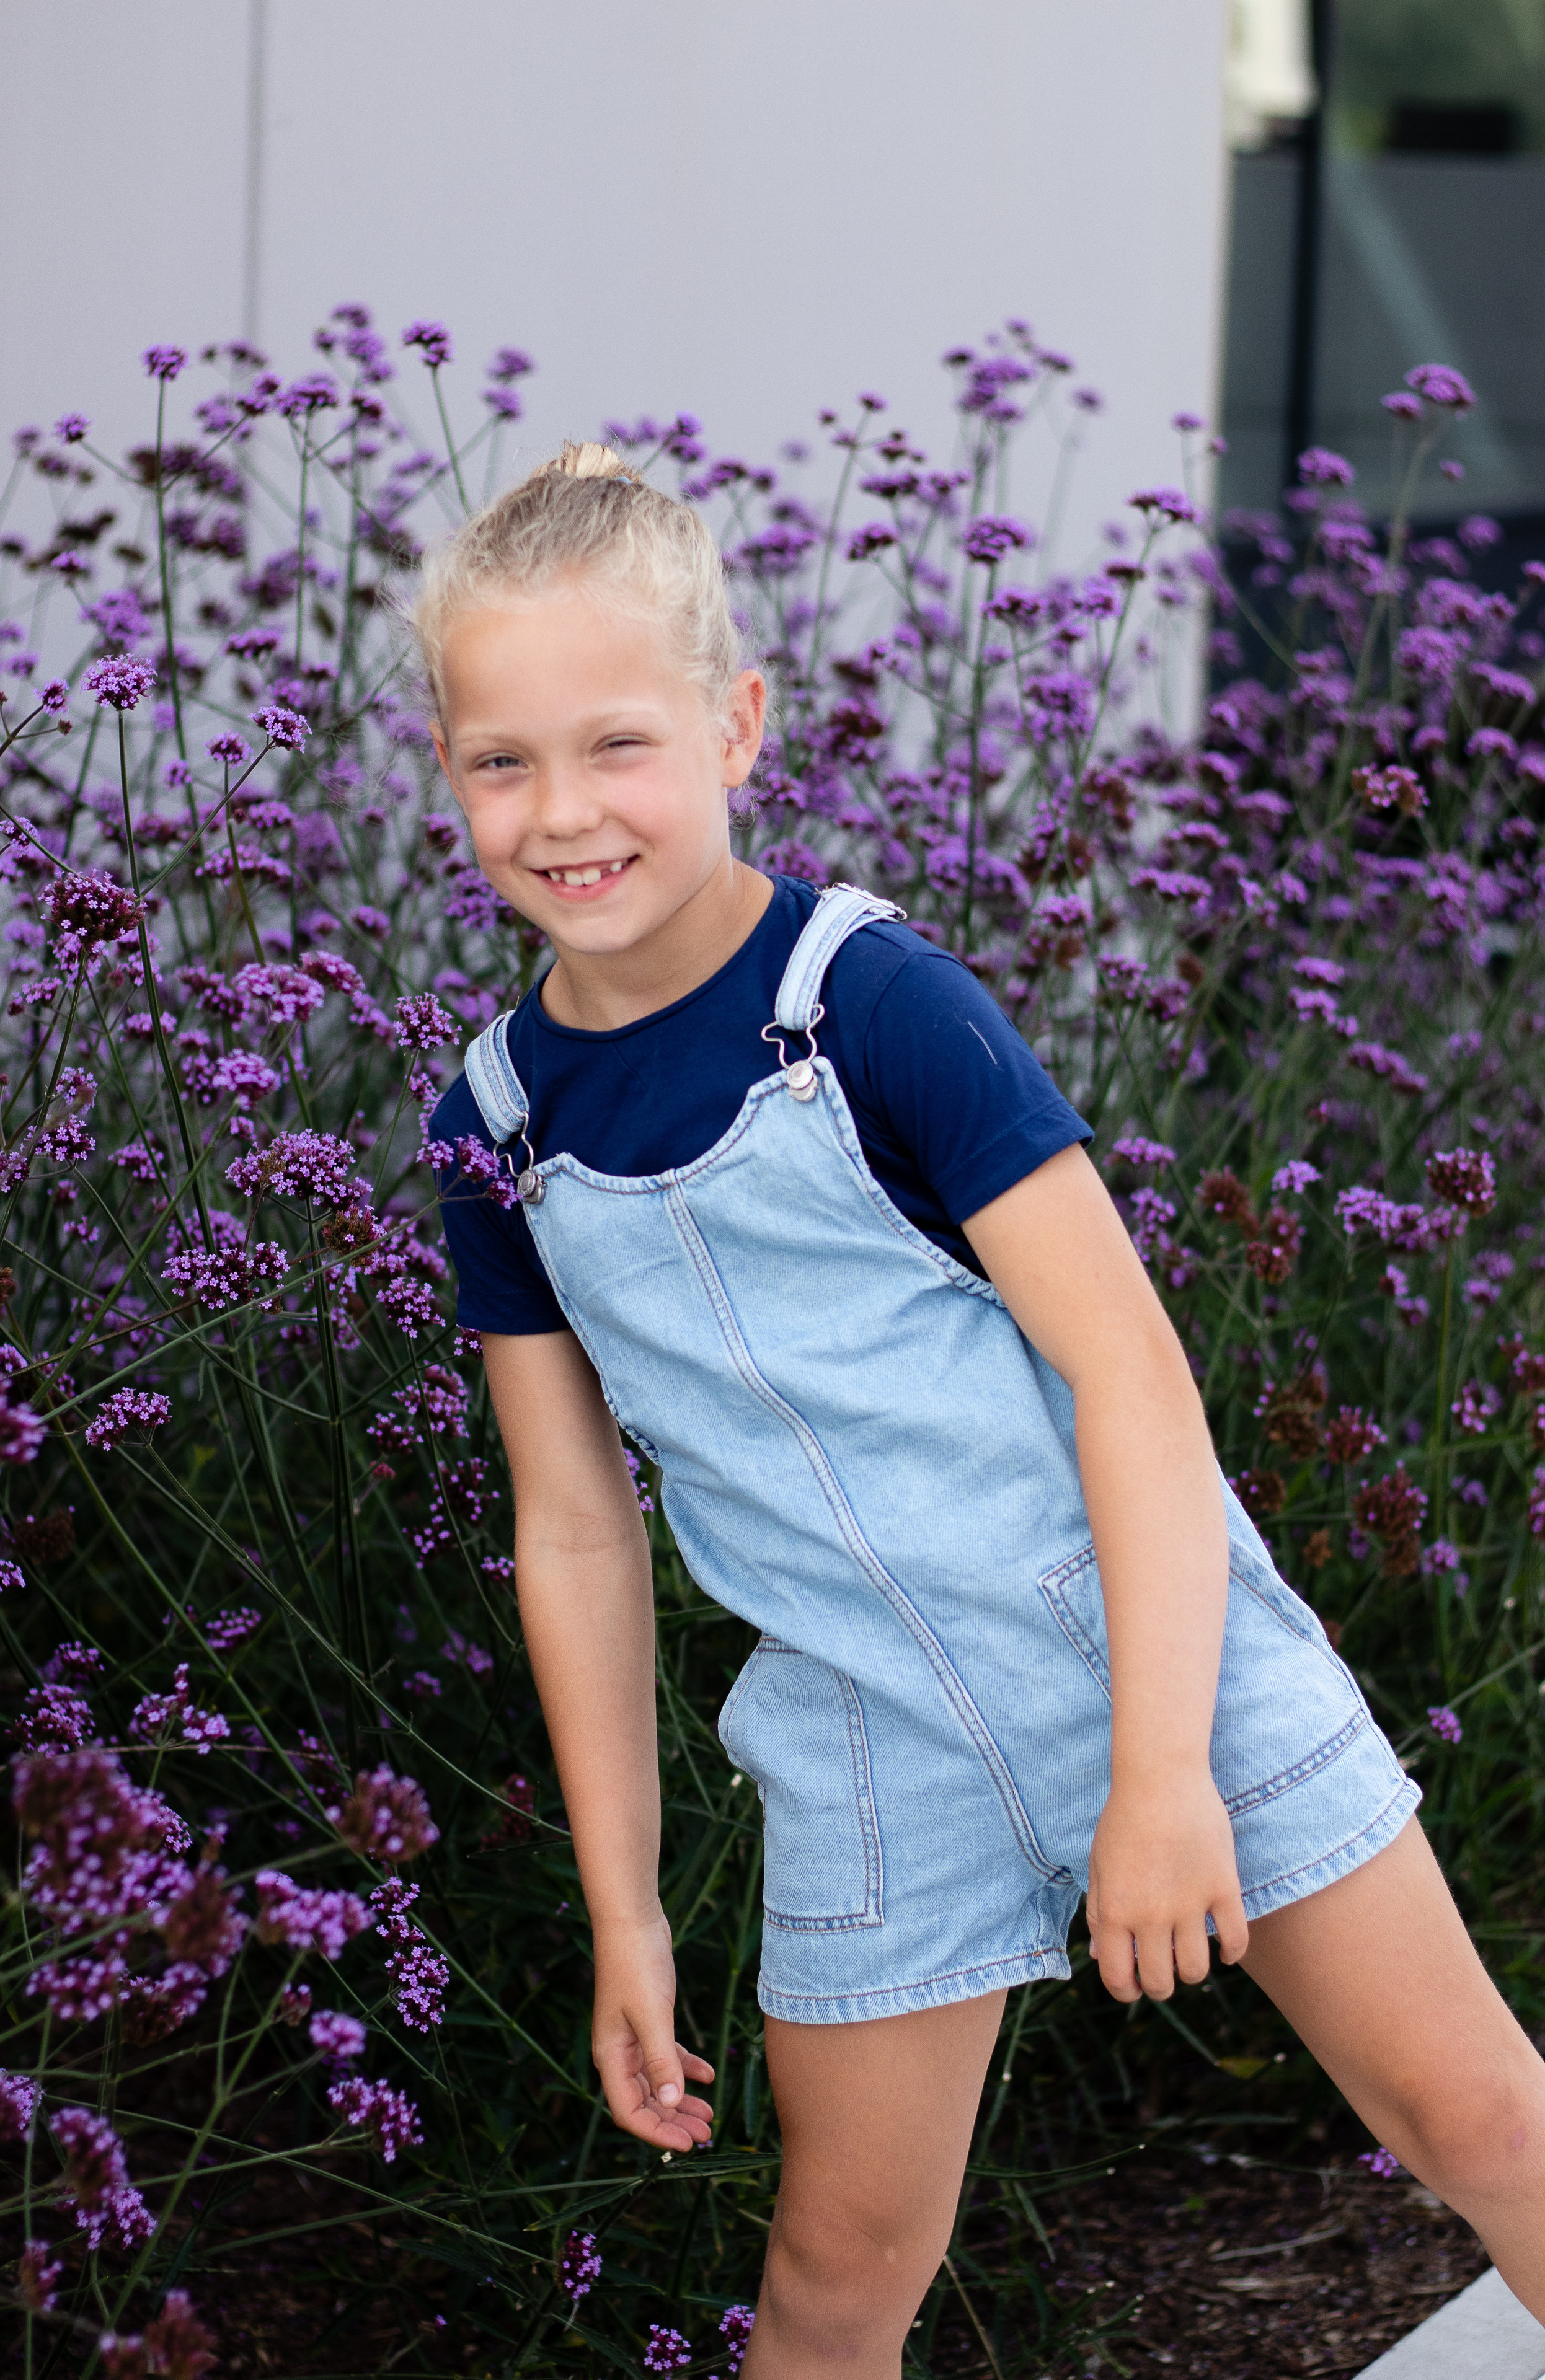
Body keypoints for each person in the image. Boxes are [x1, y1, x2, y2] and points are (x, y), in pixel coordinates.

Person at [420, 442, 1545, 2376]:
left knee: (1482, 2126)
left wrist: (1165, 1768)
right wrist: (627, 1916)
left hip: (1157, 1653)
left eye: (617, 745)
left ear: (738, 723)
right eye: (499, 763)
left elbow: (1134, 1381)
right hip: (865, 1748)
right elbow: (575, 1524)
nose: (562, 813)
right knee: (837, 2286)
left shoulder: (873, 1005)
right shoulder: (494, 1121)